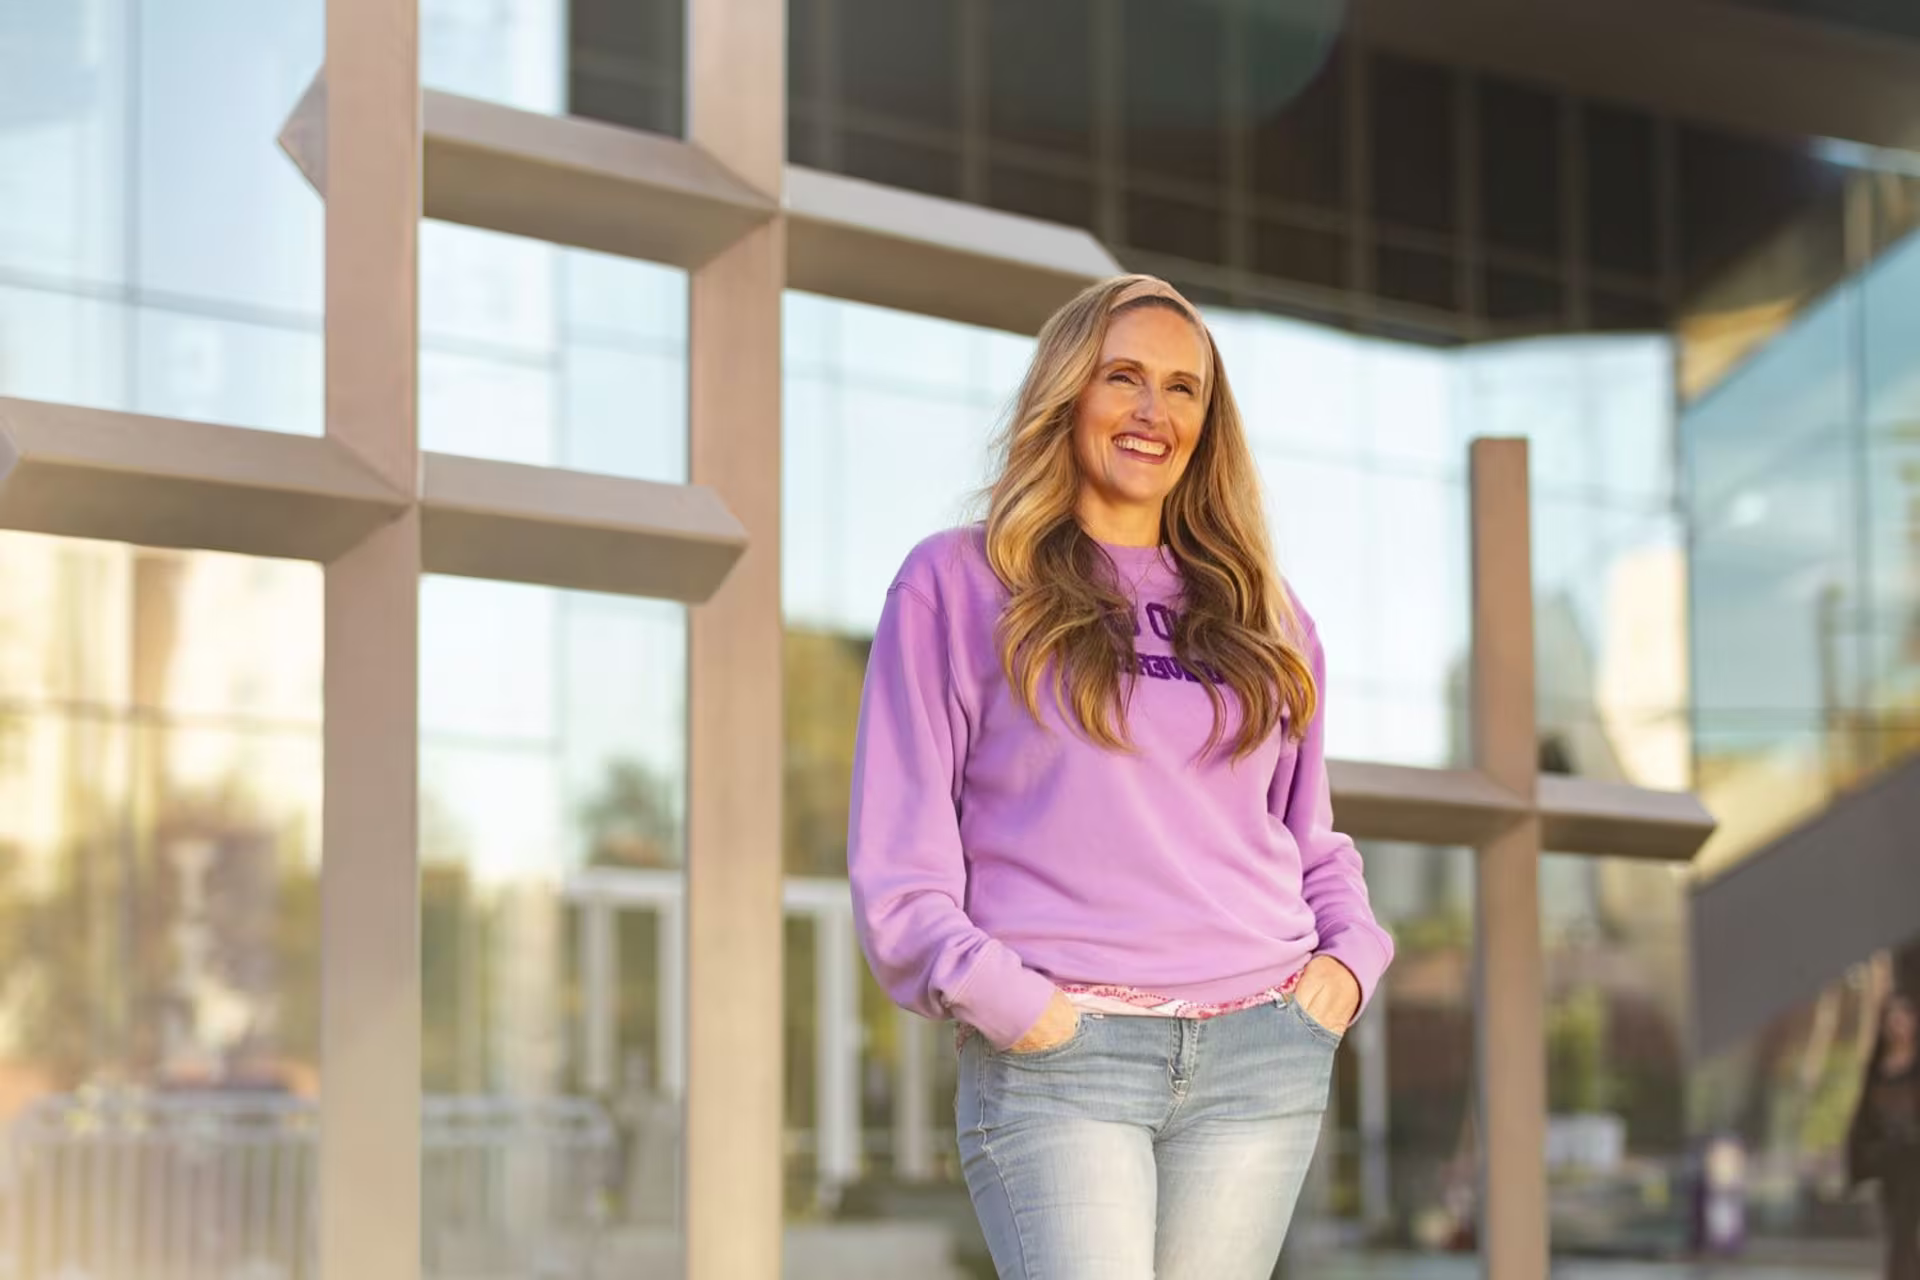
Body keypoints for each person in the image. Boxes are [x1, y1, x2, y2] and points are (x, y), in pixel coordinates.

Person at [846, 273, 1394, 1279]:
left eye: (1184, 389)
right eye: (1124, 378)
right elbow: (899, 863)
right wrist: (1014, 1002)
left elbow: (1310, 835)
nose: (1155, 412)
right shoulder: (960, 583)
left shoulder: (1268, 615)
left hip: (1261, 1048)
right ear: (1067, 395)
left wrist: (1347, 964)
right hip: (1062, 1056)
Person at [1850, 991, 1920, 1280]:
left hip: (1915, 1159)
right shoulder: (1877, 1067)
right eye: (1892, 1015)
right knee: (1896, 1231)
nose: (1898, 1022)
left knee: (1904, 1232)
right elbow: (1864, 1116)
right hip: (1887, 1160)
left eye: (1903, 1015)